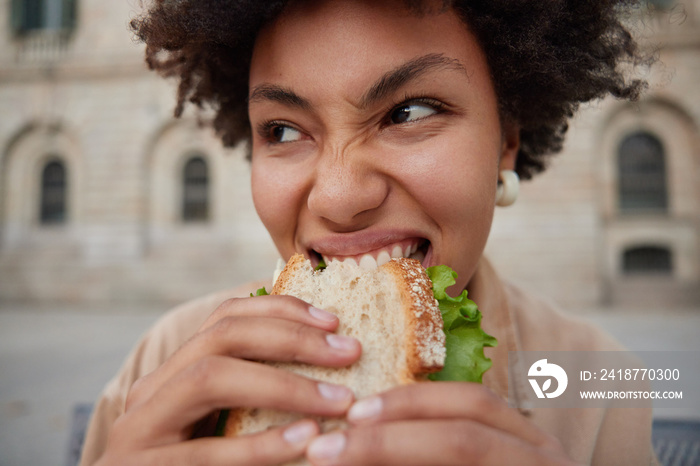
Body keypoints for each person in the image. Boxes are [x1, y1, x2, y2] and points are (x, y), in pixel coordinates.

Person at [81, 0, 659, 464]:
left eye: (408, 113)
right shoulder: (168, 356)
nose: (337, 197)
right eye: (282, 130)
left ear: (506, 140)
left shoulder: (602, 382)